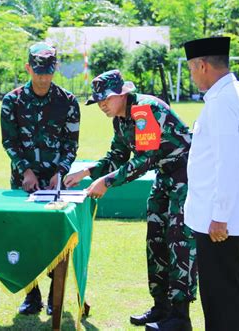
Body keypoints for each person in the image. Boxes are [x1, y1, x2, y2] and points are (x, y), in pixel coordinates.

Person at [64, 70, 197, 331]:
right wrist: (87, 172)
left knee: (179, 242)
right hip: (164, 177)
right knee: (156, 240)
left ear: (122, 94)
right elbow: (117, 156)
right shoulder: (121, 119)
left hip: (185, 177)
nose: (102, 104)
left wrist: (107, 182)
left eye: (106, 98)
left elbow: (144, 160)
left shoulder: (144, 110)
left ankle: (180, 318)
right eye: (99, 100)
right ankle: (161, 308)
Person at [183, 36, 239, 331]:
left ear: (202, 65)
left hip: (218, 222)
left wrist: (220, 216)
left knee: (220, 297)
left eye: (192, 69)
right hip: (224, 217)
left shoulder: (223, 102)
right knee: (230, 292)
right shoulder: (238, 96)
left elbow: (227, 164)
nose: (192, 76)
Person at [0, 42, 81, 316]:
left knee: (53, 238)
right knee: (23, 237)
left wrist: (60, 172)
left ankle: (52, 295)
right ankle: (31, 295)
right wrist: (25, 170)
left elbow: (71, 144)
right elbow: (9, 141)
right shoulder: (12, 101)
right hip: (24, 181)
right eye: (37, 72)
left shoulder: (68, 102)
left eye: (47, 72)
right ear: (28, 68)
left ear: (55, 68)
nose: (43, 78)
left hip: (53, 184)